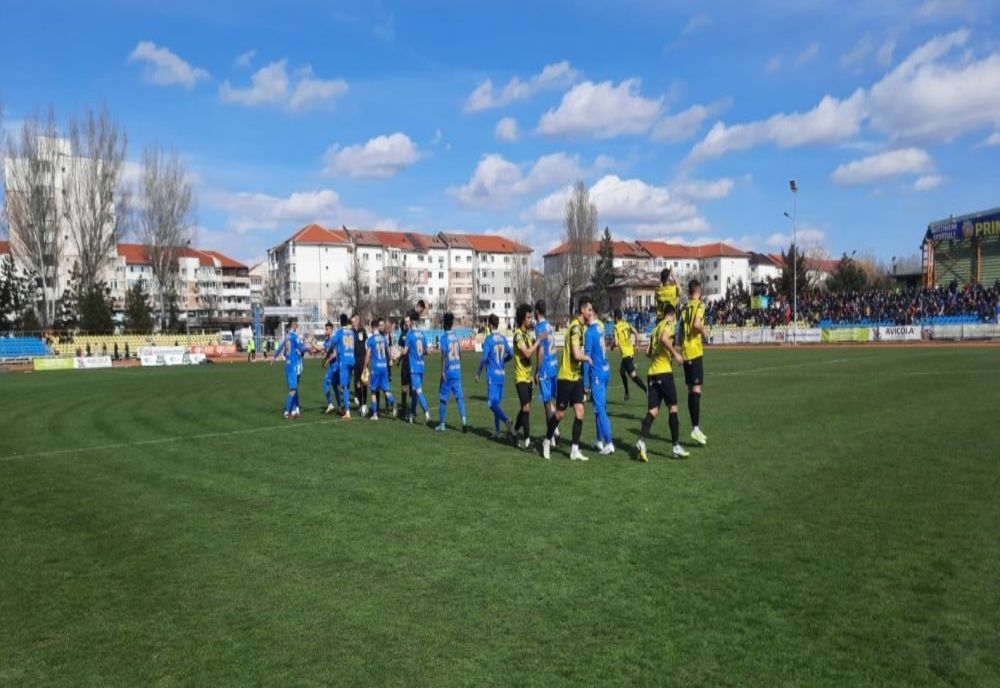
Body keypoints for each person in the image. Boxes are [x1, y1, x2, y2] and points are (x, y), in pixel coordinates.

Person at [542, 298, 594, 461]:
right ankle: (546, 441)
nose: (591, 313)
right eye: (589, 310)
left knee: (580, 412)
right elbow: (576, 354)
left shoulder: (581, 328)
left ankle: (574, 450)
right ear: (583, 310)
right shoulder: (575, 329)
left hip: (576, 377)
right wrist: (587, 358)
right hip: (565, 378)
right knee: (560, 414)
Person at [636, 303, 688, 461]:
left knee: (653, 410)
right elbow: (665, 339)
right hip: (664, 372)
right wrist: (675, 354)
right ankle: (676, 446)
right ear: (673, 314)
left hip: (652, 373)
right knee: (673, 408)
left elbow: (648, 352)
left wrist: (661, 353)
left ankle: (642, 441)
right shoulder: (668, 324)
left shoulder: (655, 328)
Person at [512, 303, 545, 451]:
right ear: (522, 319)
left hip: (529, 378)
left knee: (526, 409)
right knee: (525, 407)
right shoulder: (518, 335)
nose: (531, 319)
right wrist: (538, 341)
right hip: (520, 378)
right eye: (528, 317)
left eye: (531, 317)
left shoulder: (528, 334)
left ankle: (514, 431)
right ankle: (527, 442)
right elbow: (526, 353)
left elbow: (536, 349)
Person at [679, 279, 708, 447]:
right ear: (698, 290)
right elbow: (697, 324)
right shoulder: (699, 305)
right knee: (696, 389)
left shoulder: (684, 308)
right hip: (695, 351)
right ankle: (695, 428)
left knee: (691, 389)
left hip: (686, 352)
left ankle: (695, 428)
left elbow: (681, 331)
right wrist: (704, 331)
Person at [477, 313, 513, 439]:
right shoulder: (503, 338)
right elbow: (511, 353)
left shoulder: (489, 339)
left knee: (491, 404)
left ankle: (507, 420)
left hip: (492, 375)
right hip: (502, 375)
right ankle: (497, 430)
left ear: (490, 325)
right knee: (497, 404)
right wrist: (504, 361)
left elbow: (484, 359)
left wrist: (478, 373)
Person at [271, 317, 314, 419]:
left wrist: (274, 357)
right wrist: (309, 348)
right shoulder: (294, 336)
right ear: (293, 325)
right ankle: (287, 412)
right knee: (293, 389)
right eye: (296, 324)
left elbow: (281, 347)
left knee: (294, 388)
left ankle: (295, 411)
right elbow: (301, 347)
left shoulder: (286, 337)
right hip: (294, 365)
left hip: (290, 364)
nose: (297, 326)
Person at [584, 311, 614, 455]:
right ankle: (599, 441)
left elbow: (586, 358)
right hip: (605, 369)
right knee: (600, 408)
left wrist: (585, 383)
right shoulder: (601, 327)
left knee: (600, 409)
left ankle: (609, 443)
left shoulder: (589, 332)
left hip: (596, 373)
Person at [533, 299, 560, 444]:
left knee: (546, 404)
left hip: (545, 369)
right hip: (554, 366)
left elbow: (541, 352)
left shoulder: (539, 328)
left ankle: (551, 437)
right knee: (551, 401)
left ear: (537, 312)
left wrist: (536, 371)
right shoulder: (550, 326)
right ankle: (555, 430)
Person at [436, 312, 468, 432]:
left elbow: (443, 356)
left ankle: (442, 424)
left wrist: (443, 372)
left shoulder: (444, 338)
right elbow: (460, 354)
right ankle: (464, 421)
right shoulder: (455, 337)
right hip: (457, 371)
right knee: (459, 398)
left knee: (443, 398)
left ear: (444, 324)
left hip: (448, 372)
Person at [365, 317, 396, 421]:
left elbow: (368, 354)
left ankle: (375, 414)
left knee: (373, 391)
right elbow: (387, 350)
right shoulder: (383, 338)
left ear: (372, 327)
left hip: (376, 368)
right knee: (386, 389)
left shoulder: (371, 339)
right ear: (378, 327)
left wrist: (365, 366)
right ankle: (393, 404)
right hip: (384, 367)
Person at [402, 309, 430, 423]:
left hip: (413, 368)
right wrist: (421, 353)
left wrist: (397, 352)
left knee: (418, 391)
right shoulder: (422, 334)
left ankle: (427, 412)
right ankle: (412, 414)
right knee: (414, 392)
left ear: (411, 321)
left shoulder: (410, 334)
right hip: (422, 366)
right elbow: (427, 351)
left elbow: (405, 351)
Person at [613, 308, 647, 401]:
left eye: (613, 317)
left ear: (616, 317)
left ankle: (646, 390)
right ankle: (627, 393)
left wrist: (612, 346)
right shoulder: (626, 324)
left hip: (626, 355)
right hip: (630, 352)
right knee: (622, 372)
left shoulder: (616, 327)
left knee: (633, 376)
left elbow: (615, 343)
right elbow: (636, 332)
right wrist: (637, 345)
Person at [331, 314, 356, 419]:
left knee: (344, 386)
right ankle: (347, 407)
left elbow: (332, 343)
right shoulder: (351, 332)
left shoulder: (339, 332)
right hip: (352, 360)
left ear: (340, 322)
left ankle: (347, 412)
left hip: (344, 361)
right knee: (347, 385)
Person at [352, 314, 368, 416]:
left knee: (364, 382)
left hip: (362, 359)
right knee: (357, 383)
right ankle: (360, 405)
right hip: (354, 360)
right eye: (352, 321)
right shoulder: (350, 333)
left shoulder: (362, 331)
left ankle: (365, 404)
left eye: (355, 321)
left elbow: (366, 344)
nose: (353, 323)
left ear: (358, 321)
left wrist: (367, 360)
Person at [321, 321, 339, 415]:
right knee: (335, 386)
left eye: (327, 329)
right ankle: (340, 406)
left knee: (325, 384)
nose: (326, 330)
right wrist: (311, 344)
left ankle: (330, 404)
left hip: (335, 365)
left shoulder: (334, 339)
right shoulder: (327, 340)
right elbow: (322, 349)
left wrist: (327, 361)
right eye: (325, 329)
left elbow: (335, 354)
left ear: (331, 329)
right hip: (333, 365)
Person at [397, 314, 412, 420]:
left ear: (410, 322)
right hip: (405, 364)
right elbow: (399, 348)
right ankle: (403, 408)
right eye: (405, 321)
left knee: (413, 388)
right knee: (404, 387)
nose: (406, 323)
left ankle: (412, 409)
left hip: (413, 365)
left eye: (408, 321)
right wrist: (398, 360)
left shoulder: (414, 334)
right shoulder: (402, 335)